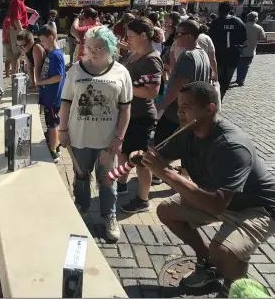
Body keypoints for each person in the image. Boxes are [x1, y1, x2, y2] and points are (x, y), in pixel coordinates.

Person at [130, 81, 275, 296]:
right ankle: (208, 262)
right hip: (219, 199)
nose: (179, 111)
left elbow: (216, 206)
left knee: (224, 250)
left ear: (210, 109)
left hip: (257, 208)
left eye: (187, 106)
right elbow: (161, 156)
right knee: (166, 211)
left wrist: (166, 173)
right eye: (179, 106)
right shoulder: (187, 131)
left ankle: (237, 286)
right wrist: (143, 158)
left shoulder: (232, 146)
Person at [59, 26, 133, 240]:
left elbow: (126, 108)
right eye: (89, 47)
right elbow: (66, 102)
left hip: (107, 140)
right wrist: (62, 130)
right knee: (81, 176)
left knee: (108, 179)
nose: (93, 51)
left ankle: (109, 215)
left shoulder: (121, 72)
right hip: (79, 137)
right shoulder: (75, 70)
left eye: (99, 47)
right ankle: (80, 208)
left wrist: (120, 137)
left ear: (110, 48)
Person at [117, 18, 163, 212]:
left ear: (144, 36)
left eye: (131, 36)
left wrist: (125, 87)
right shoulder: (133, 53)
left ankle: (142, 200)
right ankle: (121, 185)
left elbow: (152, 92)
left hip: (142, 117)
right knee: (124, 152)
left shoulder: (151, 60)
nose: (128, 39)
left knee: (141, 161)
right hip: (129, 114)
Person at [155, 20, 212, 155]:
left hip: (177, 112)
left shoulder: (187, 56)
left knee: (160, 148)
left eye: (178, 34)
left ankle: (159, 174)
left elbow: (180, 84)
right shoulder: (202, 54)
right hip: (192, 112)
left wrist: (162, 104)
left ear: (189, 36)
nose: (175, 38)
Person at [36, 25, 66, 163]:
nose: (42, 44)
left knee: (52, 125)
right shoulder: (51, 53)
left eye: (43, 40)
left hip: (53, 98)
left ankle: (53, 151)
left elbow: (58, 76)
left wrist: (40, 83)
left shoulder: (56, 55)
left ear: (51, 37)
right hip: (49, 97)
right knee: (52, 123)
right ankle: (55, 144)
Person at [208, 2, 247, 100]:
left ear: (219, 11)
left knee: (218, 79)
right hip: (233, 55)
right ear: (230, 10)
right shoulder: (238, 22)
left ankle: (217, 97)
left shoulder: (216, 22)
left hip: (219, 55)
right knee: (227, 79)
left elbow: (210, 39)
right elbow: (244, 38)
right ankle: (221, 96)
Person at [8, 0, 38, 74]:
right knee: (17, 53)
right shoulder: (16, 1)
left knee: (20, 53)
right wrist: (22, 33)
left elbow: (24, 7)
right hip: (17, 30)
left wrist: (32, 11)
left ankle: (16, 72)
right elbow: (17, 19)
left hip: (19, 29)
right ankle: (14, 73)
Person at [236, 11, 266, 86]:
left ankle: (238, 78)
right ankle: (241, 80)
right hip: (250, 50)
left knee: (239, 65)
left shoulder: (242, 25)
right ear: (256, 19)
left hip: (240, 49)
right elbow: (262, 38)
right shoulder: (259, 28)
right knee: (246, 66)